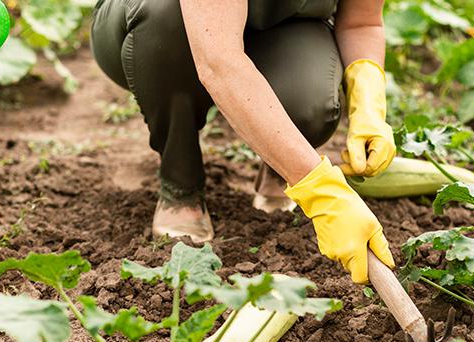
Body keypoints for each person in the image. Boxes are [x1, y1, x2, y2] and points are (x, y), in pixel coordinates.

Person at [91, 0, 396, 284]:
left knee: (310, 103)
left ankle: (280, 167)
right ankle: (180, 181)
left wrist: (368, 105)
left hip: (279, 27)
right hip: (161, 23)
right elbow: (219, 62)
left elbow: (362, 23)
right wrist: (321, 190)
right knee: (165, 18)